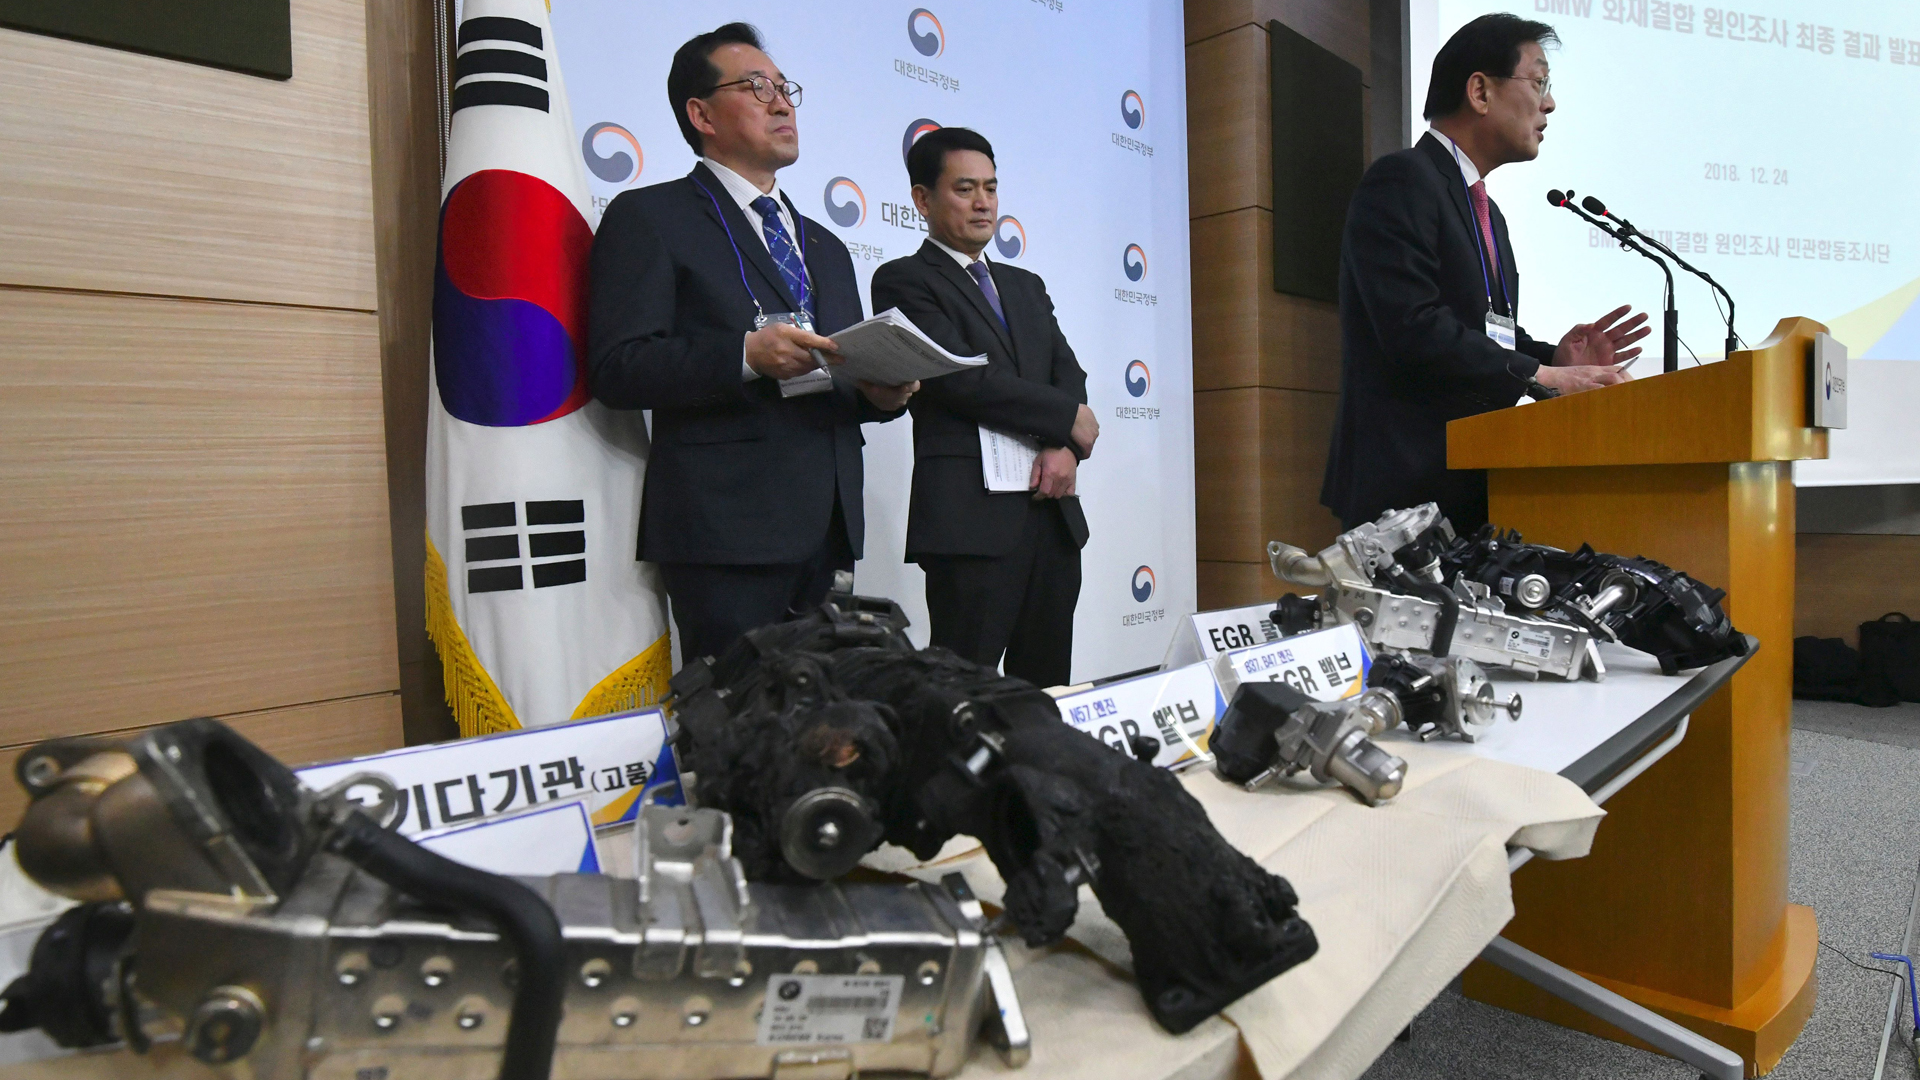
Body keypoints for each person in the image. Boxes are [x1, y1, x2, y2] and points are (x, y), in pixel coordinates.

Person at [588, 23, 916, 662]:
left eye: (785, 88)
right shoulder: (651, 218)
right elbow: (617, 366)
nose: (782, 102)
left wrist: (881, 392)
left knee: (831, 736)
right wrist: (743, 356)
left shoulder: (826, 245)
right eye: (757, 86)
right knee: (743, 736)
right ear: (701, 113)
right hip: (725, 531)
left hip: (829, 527)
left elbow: (838, 371)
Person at [1321, 12, 1649, 532]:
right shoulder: (1403, 179)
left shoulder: (1486, 211)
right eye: (1539, 81)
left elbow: (1480, 328)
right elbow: (1412, 327)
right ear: (1480, 91)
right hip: (1404, 497)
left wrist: (1552, 357)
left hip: (1469, 487)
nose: (1550, 102)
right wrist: (1541, 377)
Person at [869, 127, 1096, 688]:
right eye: (965, 188)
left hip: (1051, 514)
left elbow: (1067, 372)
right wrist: (1064, 420)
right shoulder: (903, 279)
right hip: (969, 524)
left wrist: (1061, 445)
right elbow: (958, 377)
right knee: (963, 695)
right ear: (923, 199)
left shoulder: (1026, 284)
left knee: (1046, 691)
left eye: (991, 188)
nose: (983, 203)